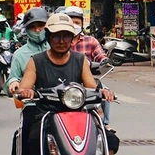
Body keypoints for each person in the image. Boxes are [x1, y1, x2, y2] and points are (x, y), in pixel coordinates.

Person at [18, 14, 119, 155]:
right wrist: (26, 92)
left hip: (79, 113)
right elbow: (24, 87)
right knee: (33, 141)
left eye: (66, 36)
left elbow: (91, 87)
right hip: (47, 114)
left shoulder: (80, 59)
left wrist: (102, 92)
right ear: (48, 37)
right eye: (56, 36)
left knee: (111, 141)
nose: (61, 41)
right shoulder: (36, 61)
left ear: (72, 39)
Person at [5, 7, 50, 155]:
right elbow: (13, 77)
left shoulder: (58, 48)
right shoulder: (20, 54)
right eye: (32, 27)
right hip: (34, 104)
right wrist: (13, 84)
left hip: (63, 103)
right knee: (27, 137)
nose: (37, 30)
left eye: (41, 26)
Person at [64, 5, 112, 129]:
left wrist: (104, 61)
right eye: (71, 22)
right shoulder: (60, 41)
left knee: (104, 93)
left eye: (77, 22)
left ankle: (104, 124)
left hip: (88, 82)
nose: (74, 25)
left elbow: (101, 56)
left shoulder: (91, 41)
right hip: (64, 81)